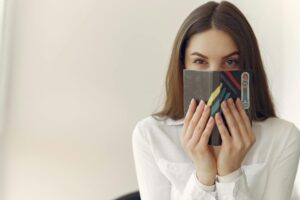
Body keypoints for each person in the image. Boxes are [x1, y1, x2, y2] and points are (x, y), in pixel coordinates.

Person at [131, 1, 300, 199]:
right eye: (200, 61)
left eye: (230, 62)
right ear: (182, 66)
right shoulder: (151, 135)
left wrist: (230, 173)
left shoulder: (282, 137)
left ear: (247, 68)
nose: (215, 77)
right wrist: (204, 175)